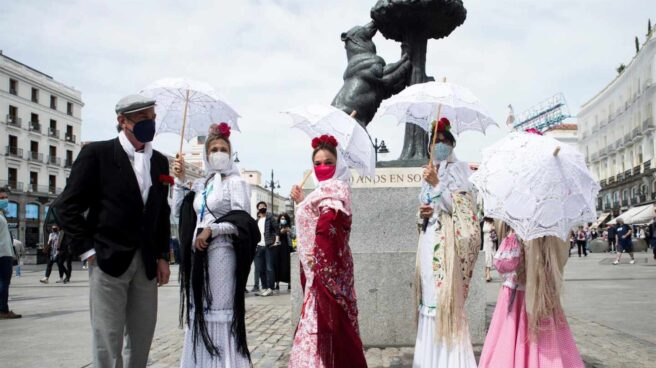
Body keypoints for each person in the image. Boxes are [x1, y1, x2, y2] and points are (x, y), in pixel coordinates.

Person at [54, 94, 171, 367]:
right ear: (123, 121)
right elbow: (66, 207)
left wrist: (163, 254)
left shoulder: (159, 162)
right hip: (107, 260)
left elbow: (160, 213)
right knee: (108, 338)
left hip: (146, 263)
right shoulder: (98, 154)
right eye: (143, 118)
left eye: (152, 118)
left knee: (142, 337)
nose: (150, 124)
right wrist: (87, 250)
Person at [173, 122, 258, 368]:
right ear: (206, 154)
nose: (218, 153)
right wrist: (179, 181)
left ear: (230, 154)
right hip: (197, 258)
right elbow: (180, 212)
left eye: (223, 148)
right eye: (214, 149)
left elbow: (243, 223)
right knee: (200, 309)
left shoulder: (236, 183)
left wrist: (213, 230)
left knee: (219, 313)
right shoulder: (203, 184)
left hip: (221, 254)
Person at [288, 134, 367, 367]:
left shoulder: (335, 190)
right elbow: (314, 219)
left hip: (326, 273)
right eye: (318, 163)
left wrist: (320, 258)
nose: (323, 167)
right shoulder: (321, 192)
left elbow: (328, 223)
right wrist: (302, 201)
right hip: (316, 275)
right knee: (315, 330)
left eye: (329, 162)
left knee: (324, 330)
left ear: (339, 164)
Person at [413, 118, 480, 368]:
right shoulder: (430, 169)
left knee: (446, 299)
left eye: (443, 140)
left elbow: (463, 210)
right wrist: (423, 212)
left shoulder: (460, 169)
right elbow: (424, 207)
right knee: (429, 298)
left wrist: (437, 185)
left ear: (452, 143)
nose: (439, 145)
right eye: (435, 141)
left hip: (448, 244)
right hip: (429, 241)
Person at [479, 232, 584, 368]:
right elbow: (562, 260)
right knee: (547, 337)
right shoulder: (554, 235)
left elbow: (502, 265)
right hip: (544, 292)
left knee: (512, 337)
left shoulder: (518, 234)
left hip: (518, 293)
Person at [0, 187, 21, 319]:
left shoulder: (2, 216)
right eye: (1, 198)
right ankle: (3, 310)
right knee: (3, 283)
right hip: (3, 255)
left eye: (5, 197)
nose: (4, 200)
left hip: (5, 253)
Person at [254, 201, 278, 297]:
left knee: (269, 268)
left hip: (269, 245)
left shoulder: (270, 218)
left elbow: (277, 229)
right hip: (259, 246)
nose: (262, 207)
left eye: (263, 206)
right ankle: (264, 287)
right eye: (260, 206)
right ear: (258, 209)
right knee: (260, 268)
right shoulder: (257, 221)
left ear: (266, 207)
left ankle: (270, 288)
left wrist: (275, 241)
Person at [275, 213, 292, 290]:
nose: (283, 220)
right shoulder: (277, 227)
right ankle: (277, 283)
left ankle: (289, 283)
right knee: (278, 264)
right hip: (279, 248)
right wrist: (280, 232)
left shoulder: (290, 227)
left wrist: (289, 232)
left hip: (287, 248)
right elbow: (275, 235)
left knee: (287, 265)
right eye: (282, 218)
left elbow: (294, 236)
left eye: (284, 218)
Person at [482, 217, 495, 282]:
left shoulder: (493, 221)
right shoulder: (486, 222)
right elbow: (484, 229)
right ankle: (488, 274)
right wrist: (491, 228)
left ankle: (486, 271)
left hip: (492, 241)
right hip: (487, 241)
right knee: (488, 257)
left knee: (490, 257)